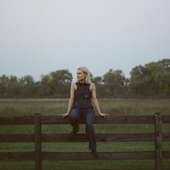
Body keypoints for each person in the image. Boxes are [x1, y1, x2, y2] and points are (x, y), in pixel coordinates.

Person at [61, 67, 108, 158]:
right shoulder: (74, 85)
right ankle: (75, 129)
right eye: (77, 73)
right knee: (72, 116)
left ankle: (93, 149)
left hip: (88, 110)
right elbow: (71, 99)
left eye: (80, 73)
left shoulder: (92, 85)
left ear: (85, 74)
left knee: (90, 125)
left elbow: (94, 99)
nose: (78, 75)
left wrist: (99, 112)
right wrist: (67, 112)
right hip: (77, 109)